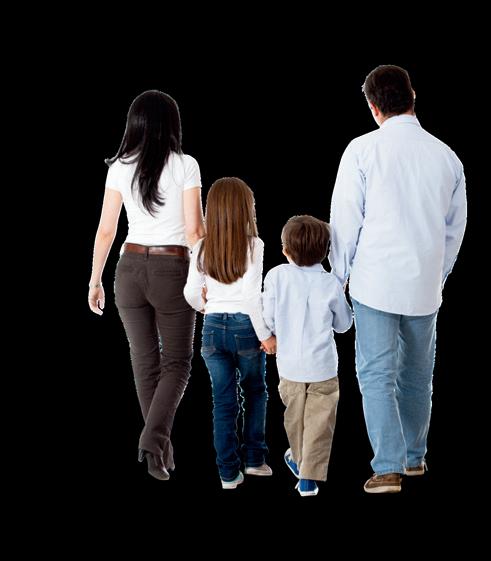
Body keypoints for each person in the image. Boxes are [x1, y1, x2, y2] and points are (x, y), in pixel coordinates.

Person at [329, 65, 467, 493]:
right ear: (413, 96)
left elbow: (345, 222)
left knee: (376, 375)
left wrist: (337, 280)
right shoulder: (447, 156)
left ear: (373, 107)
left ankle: (387, 468)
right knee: (417, 376)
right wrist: (438, 274)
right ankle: (414, 458)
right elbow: (454, 230)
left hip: (374, 283)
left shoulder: (361, 150)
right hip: (424, 287)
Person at [88, 90, 205, 480]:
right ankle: (153, 442)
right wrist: (206, 276)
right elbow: (195, 231)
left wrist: (94, 280)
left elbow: (106, 230)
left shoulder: (120, 166)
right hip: (173, 269)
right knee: (178, 363)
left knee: (144, 362)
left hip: (129, 269)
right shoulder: (186, 165)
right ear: (172, 124)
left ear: (134, 124)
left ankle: (158, 451)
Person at [184, 177, 276, 489]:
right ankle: (254, 460)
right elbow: (251, 297)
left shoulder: (201, 247)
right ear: (245, 209)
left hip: (211, 330)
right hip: (245, 328)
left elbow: (191, 292)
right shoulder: (254, 245)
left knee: (223, 402)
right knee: (255, 391)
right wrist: (265, 335)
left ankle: (228, 474)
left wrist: (205, 306)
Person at [262, 215, 352, 496]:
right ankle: (307, 477)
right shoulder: (330, 283)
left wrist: (272, 334)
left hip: (289, 366)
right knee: (319, 423)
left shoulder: (276, 276)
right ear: (325, 251)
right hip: (323, 367)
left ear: (286, 250)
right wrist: (342, 293)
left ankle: (300, 462)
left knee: (295, 419)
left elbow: (268, 318)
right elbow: (343, 325)